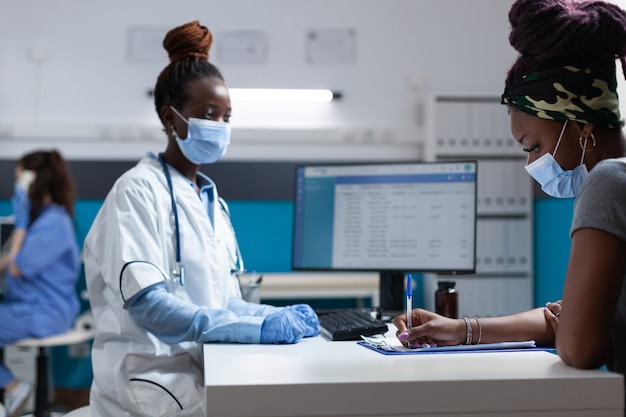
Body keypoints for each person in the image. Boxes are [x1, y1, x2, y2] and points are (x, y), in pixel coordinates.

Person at [83, 20, 320, 417]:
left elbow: (223, 299)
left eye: (227, 117)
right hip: (150, 383)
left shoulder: (211, 201)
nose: (220, 128)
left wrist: (269, 316)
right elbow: (148, 306)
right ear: (171, 119)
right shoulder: (136, 191)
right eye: (210, 115)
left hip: (204, 371)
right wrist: (249, 329)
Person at [395, 0, 626, 380]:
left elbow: (581, 346)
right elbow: (576, 317)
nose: (531, 162)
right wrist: (461, 329)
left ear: (582, 126)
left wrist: (570, 324)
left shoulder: (608, 183)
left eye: (533, 146)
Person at [0, 150, 81, 417]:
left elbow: (17, 266)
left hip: (43, 312)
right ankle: (11, 388)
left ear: (31, 182)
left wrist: (21, 223)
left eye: (18, 180)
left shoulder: (53, 222)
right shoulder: (40, 221)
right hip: (29, 307)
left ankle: (12, 387)